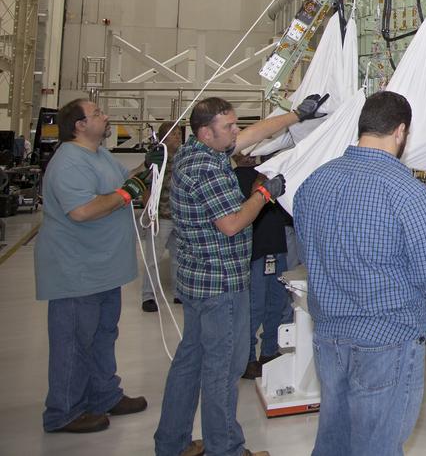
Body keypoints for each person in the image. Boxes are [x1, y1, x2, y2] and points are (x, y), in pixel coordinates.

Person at [153, 94, 322, 456]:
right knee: (223, 370)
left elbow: (253, 134)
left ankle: (172, 443)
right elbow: (231, 224)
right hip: (221, 285)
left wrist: (296, 115)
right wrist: (264, 193)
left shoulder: (194, 152)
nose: (236, 132)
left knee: (190, 362)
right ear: (205, 131)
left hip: (197, 281)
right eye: (228, 127)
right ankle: (225, 448)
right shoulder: (208, 169)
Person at [293, 91, 426, 456]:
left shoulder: (314, 183)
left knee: (334, 437)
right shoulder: (408, 193)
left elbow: (309, 253)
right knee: (378, 443)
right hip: (388, 337)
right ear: (400, 132)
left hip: (330, 335)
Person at [35, 98, 149, 434]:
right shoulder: (69, 162)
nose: (105, 115)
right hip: (77, 270)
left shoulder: (99, 155)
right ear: (79, 125)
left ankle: (103, 395)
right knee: (74, 341)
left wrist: (148, 166)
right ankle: (64, 412)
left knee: (102, 335)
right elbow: (82, 210)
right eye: (97, 113)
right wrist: (128, 192)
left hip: (103, 268)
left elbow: (120, 183)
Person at [233, 156, 293, 379]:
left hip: (277, 248)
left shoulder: (275, 178)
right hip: (255, 252)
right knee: (254, 307)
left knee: (276, 304)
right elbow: (245, 207)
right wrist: (261, 179)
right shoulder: (236, 177)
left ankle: (269, 352)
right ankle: (247, 358)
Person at [140, 122, 184, 313]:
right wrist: (149, 212)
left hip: (180, 216)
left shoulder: (185, 157)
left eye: (178, 133)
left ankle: (179, 292)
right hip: (161, 216)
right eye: (172, 133)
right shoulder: (156, 158)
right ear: (164, 137)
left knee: (179, 258)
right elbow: (146, 186)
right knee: (153, 259)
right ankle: (148, 296)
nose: (177, 136)